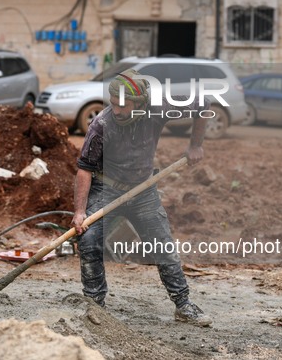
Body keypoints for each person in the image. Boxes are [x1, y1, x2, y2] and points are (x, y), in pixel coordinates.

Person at [72, 68, 213, 326]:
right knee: (89, 240)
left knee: (162, 245)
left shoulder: (158, 108)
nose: (117, 110)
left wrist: (196, 144)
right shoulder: (101, 124)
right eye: (113, 103)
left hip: (143, 189)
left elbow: (203, 104)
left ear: (141, 102)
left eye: (123, 105)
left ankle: (183, 304)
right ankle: (94, 305)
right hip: (106, 188)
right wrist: (80, 212)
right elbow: (84, 169)